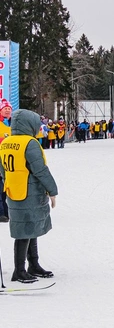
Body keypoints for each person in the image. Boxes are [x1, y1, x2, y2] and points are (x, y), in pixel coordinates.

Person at [0, 109, 58, 283]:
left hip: (13, 191)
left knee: (28, 228)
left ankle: (33, 265)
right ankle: (19, 270)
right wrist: (52, 190)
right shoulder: (29, 143)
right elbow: (40, 170)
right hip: (29, 191)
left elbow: (2, 170)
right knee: (24, 232)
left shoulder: (6, 142)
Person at [0, 99, 12, 222]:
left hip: (8, 160)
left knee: (5, 188)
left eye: (9, 108)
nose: (8, 110)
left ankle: (6, 212)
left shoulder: (11, 123)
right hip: (0, 158)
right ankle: (2, 212)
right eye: (5, 108)